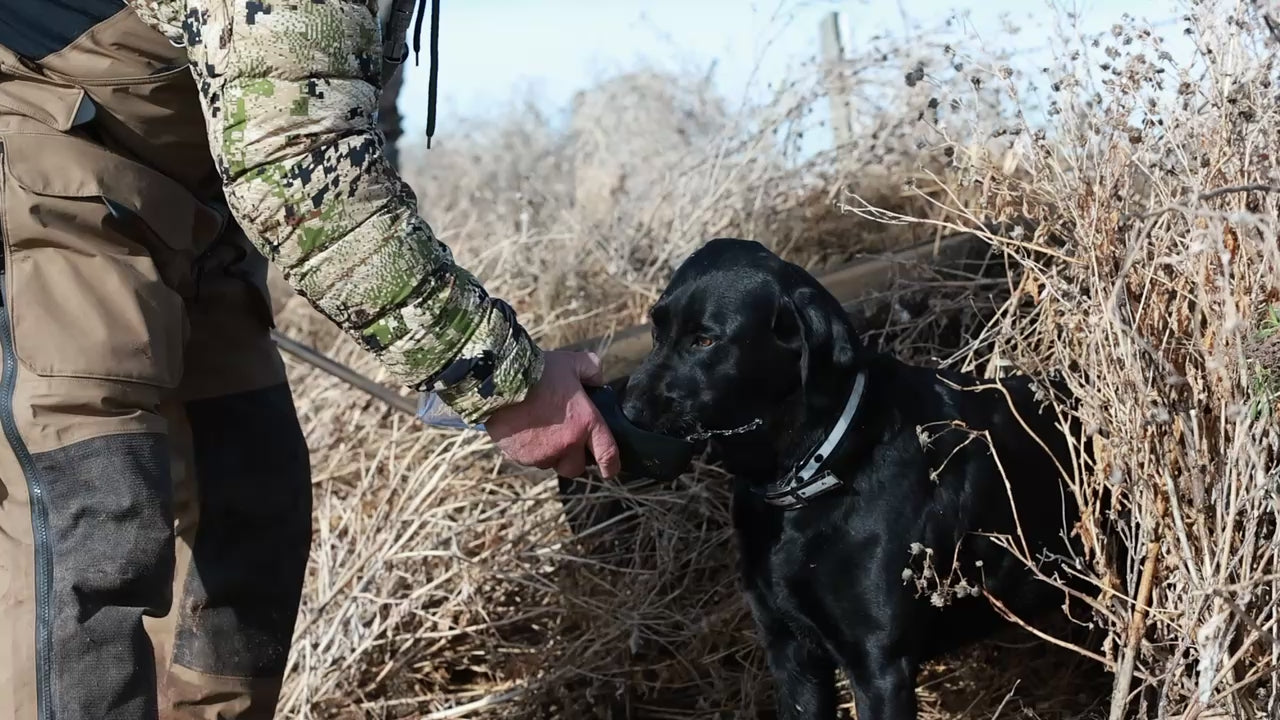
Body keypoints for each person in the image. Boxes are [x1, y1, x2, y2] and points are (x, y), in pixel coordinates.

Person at [0, 1, 620, 719]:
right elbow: (302, 164)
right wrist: (502, 379)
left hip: (194, 193)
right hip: (45, 138)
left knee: (252, 498)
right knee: (97, 516)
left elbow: (341, 122)